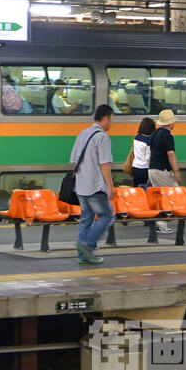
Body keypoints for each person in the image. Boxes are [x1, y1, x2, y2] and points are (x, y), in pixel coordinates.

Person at [70, 104, 115, 265]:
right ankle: (87, 245)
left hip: (80, 186)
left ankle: (83, 257)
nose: (112, 123)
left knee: (86, 219)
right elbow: (104, 164)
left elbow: (73, 160)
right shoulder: (102, 137)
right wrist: (110, 186)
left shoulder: (83, 134)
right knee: (106, 216)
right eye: (111, 119)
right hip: (95, 186)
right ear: (105, 119)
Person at [148, 109, 181, 234]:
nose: (174, 124)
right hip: (162, 170)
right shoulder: (167, 135)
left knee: (160, 197)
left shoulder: (155, 134)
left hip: (152, 170)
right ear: (170, 123)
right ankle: (162, 223)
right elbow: (171, 154)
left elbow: (150, 154)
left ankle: (160, 223)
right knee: (174, 193)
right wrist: (176, 171)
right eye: (173, 122)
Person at [132, 117, 157, 187]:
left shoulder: (136, 138)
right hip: (145, 169)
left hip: (135, 166)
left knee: (137, 189)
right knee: (146, 189)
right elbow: (148, 158)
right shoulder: (149, 142)